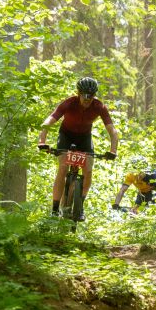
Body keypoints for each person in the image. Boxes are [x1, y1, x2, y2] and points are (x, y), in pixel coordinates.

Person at [37, 77, 119, 221]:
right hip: (66, 136)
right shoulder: (69, 103)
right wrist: (42, 141)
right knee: (62, 168)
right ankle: (55, 209)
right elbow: (49, 121)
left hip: (84, 139)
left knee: (88, 170)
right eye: (85, 95)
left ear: (94, 95)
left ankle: (80, 206)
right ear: (78, 93)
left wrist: (113, 151)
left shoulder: (99, 106)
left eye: (91, 96)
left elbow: (112, 131)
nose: (87, 99)